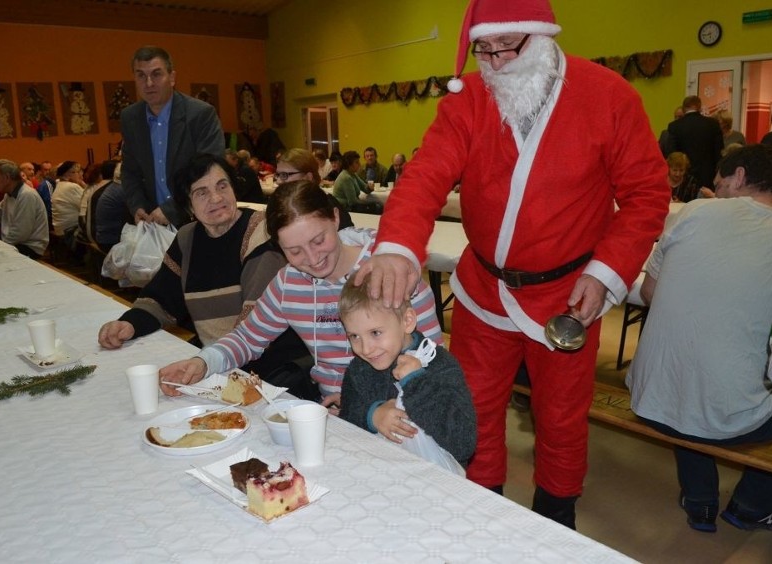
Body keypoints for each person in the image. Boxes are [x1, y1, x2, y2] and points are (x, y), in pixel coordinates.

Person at [354, 0, 669, 529]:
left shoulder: (609, 96)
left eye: (508, 46)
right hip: (484, 289)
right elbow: (426, 175)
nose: (495, 63)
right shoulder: (469, 102)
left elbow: (646, 194)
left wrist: (606, 272)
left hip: (569, 294)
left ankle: (556, 516)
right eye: (484, 49)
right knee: (472, 406)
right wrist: (396, 246)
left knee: (562, 417)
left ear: (542, 38)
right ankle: (483, 513)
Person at [627, 144, 772, 533]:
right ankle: (754, 504)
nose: (715, 193)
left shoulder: (692, 213)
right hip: (734, 419)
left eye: (719, 184)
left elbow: (649, 294)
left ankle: (700, 499)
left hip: (650, 398)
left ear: (738, 176)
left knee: (691, 361)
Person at [158, 180, 443, 410]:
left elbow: (435, 360)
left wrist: (372, 406)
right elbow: (247, 338)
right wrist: (203, 362)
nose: (313, 259)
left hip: (399, 412)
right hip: (335, 415)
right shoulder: (289, 283)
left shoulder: (389, 267)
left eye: (319, 240)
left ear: (335, 218)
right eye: (294, 251)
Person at [98, 154, 314, 395]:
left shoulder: (262, 234)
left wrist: (207, 364)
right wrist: (129, 323)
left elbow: (253, 328)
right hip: (218, 361)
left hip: (271, 368)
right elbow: (162, 296)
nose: (216, 198)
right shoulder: (188, 238)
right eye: (201, 192)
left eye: (223, 186)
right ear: (188, 206)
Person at [338, 272, 477, 468]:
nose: (366, 348)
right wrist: (372, 415)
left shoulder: (440, 366)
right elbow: (346, 421)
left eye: (375, 333)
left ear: (407, 321)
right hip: (378, 474)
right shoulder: (359, 369)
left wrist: (416, 382)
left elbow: (463, 443)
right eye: (354, 336)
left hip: (435, 480)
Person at [120, 45, 225, 228]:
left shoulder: (200, 114)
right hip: (153, 221)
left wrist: (172, 209)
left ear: (173, 78)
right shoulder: (130, 118)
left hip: (197, 217)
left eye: (157, 74)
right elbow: (130, 171)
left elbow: (210, 168)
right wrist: (137, 206)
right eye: (141, 75)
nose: (149, 83)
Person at [0, 159, 49, 258]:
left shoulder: (26, 195)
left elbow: (21, 232)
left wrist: (0, 247)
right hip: (15, 244)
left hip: (29, 247)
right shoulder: (9, 195)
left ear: (7, 177)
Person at [667, 96, 724, 190]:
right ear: (700, 107)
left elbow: (672, 154)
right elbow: (719, 152)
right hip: (707, 176)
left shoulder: (675, 126)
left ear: (684, 108)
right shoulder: (713, 124)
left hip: (683, 177)